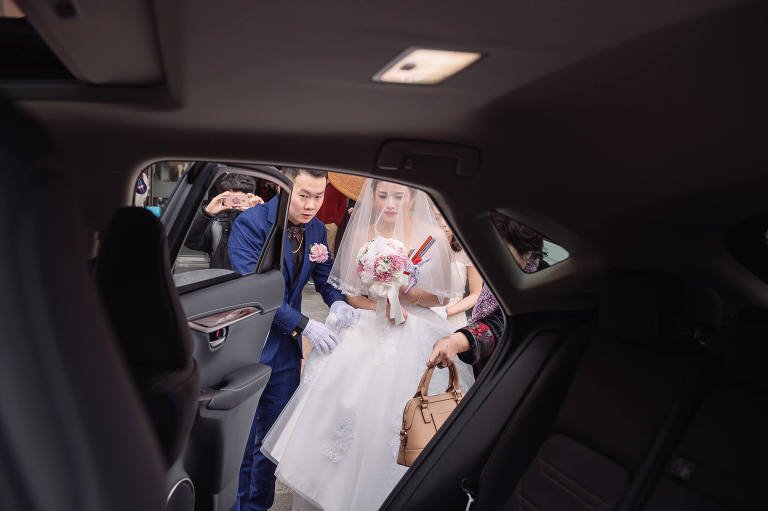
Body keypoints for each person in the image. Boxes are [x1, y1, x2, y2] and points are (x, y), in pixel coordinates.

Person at [261, 178, 475, 511]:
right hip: (369, 325)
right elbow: (350, 293)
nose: (390, 203)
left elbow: (443, 296)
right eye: (383, 195)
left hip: (415, 328)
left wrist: (408, 294)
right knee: (343, 408)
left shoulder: (431, 236)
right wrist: (378, 304)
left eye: (398, 196)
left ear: (411, 198)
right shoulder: (361, 234)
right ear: (372, 197)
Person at [228, 167, 359, 511]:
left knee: (273, 438)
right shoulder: (251, 223)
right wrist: (304, 324)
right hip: (250, 347)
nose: (311, 205)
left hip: (286, 351)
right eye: (303, 195)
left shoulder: (315, 229)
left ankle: (259, 505)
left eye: (318, 196)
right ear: (283, 188)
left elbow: (325, 277)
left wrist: (339, 301)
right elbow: (252, 289)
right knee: (243, 440)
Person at [427, 214, 548, 375]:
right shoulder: (503, 273)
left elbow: (500, 324)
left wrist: (456, 341)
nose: (491, 260)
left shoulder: (539, 282)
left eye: (501, 253)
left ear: (526, 251)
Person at [185, 172, 262, 269]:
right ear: (223, 197)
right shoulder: (216, 223)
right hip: (221, 277)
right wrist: (207, 213)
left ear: (251, 197)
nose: (236, 202)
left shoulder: (260, 219)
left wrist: (261, 215)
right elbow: (191, 243)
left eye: (241, 199)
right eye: (232, 199)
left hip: (253, 277)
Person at [431, 208, 483, 328]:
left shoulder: (467, 252)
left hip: (454, 318)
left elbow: (476, 293)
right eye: (438, 218)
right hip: (424, 315)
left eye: (447, 218)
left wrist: (446, 312)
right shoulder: (423, 249)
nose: (443, 224)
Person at [314, 181, 347, 256]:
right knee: (314, 247)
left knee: (328, 251)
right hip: (316, 221)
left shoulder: (339, 186)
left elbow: (342, 205)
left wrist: (336, 222)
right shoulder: (320, 182)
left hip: (331, 224)